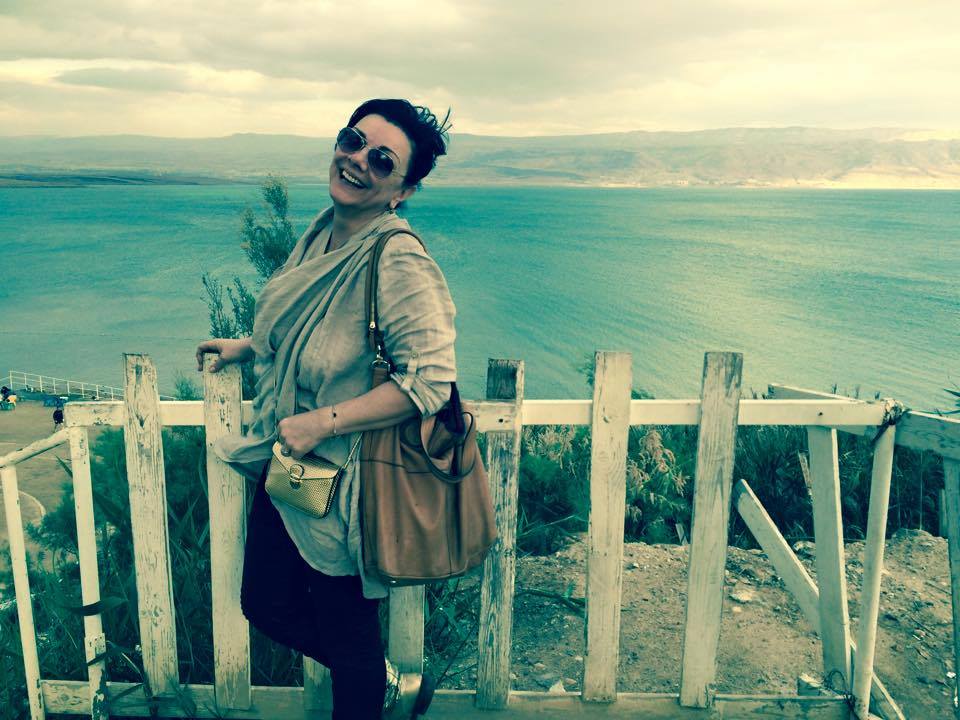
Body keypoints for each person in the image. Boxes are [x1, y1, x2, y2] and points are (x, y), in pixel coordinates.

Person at [196, 99, 455, 720]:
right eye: (353, 140)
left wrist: (323, 422)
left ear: (403, 190)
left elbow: (432, 381)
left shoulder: (398, 258)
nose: (358, 160)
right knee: (265, 605)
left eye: (382, 159)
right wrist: (251, 347)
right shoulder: (323, 233)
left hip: (346, 484)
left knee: (347, 635)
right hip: (291, 467)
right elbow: (313, 327)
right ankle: (386, 683)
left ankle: (373, 684)